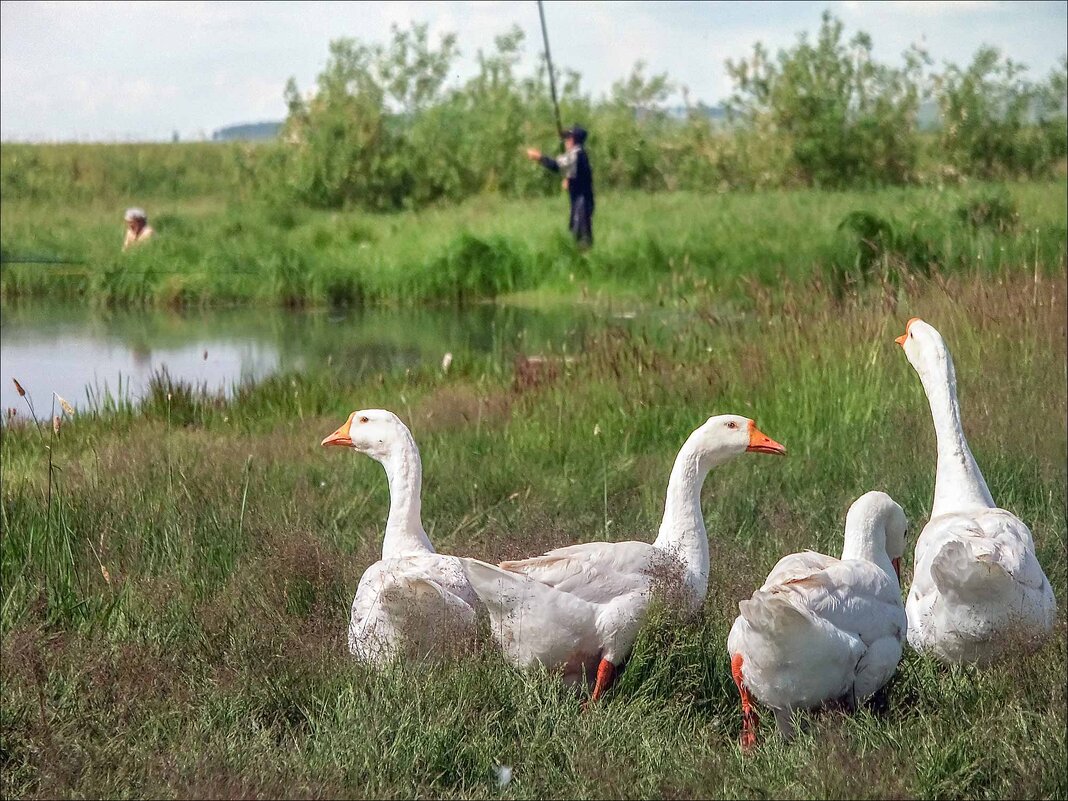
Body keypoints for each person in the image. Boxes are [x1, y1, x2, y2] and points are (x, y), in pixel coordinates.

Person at [526, 124, 594, 248]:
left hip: (581, 202)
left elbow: (556, 165)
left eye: (568, 137)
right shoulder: (580, 154)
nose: (566, 141)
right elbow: (580, 175)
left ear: (573, 139)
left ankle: (585, 263)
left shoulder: (576, 153)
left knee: (582, 238)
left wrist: (538, 157)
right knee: (576, 233)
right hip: (580, 201)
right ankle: (581, 262)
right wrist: (570, 180)